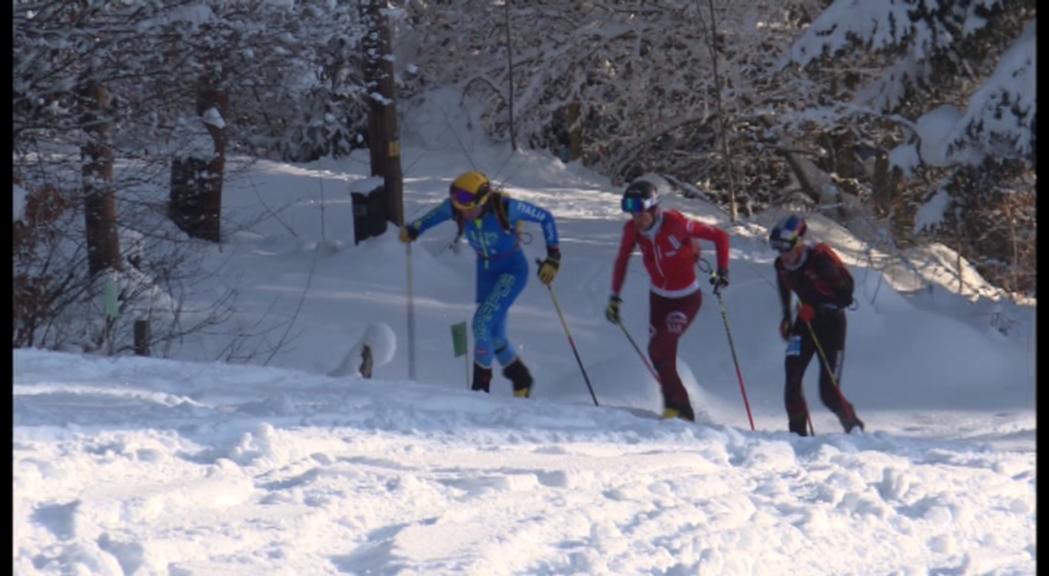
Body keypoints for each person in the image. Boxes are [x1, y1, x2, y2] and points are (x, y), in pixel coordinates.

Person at [399, 171, 561, 398]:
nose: (462, 210)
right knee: (494, 335)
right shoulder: (456, 208)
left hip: (512, 270)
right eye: (456, 202)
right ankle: (521, 379)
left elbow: (546, 217)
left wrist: (553, 257)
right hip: (485, 272)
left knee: (480, 323)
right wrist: (414, 228)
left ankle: (480, 391)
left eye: (467, 204)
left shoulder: (506, 208)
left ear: (482, 200)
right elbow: (430, 218)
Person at [605, 179, 730, 422]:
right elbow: (622, 261)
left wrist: (723, 271)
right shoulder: (632, 231)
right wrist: (615, 297)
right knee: (662, 357)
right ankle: (675, 409)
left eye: (640, 212)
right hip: (658, 300)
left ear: (653, 208)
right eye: (631, 212)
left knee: (658, 347)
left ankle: (682, 411)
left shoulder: (676, 223)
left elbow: (720, 236)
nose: (636, 218)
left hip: (686, 299)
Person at [769, 214, 864, 436]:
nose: (783, 254)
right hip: (805, 322)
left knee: (828, 392)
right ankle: (797, 435)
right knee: (792, 375)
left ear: (799, 243)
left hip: (832, 325)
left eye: (786, 247)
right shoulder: (781, 266)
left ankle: (853, 427)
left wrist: (818, 307)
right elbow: (785, 289)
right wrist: (786, 318)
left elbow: (845, 297)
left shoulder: (820, 261)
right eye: (777, 248)